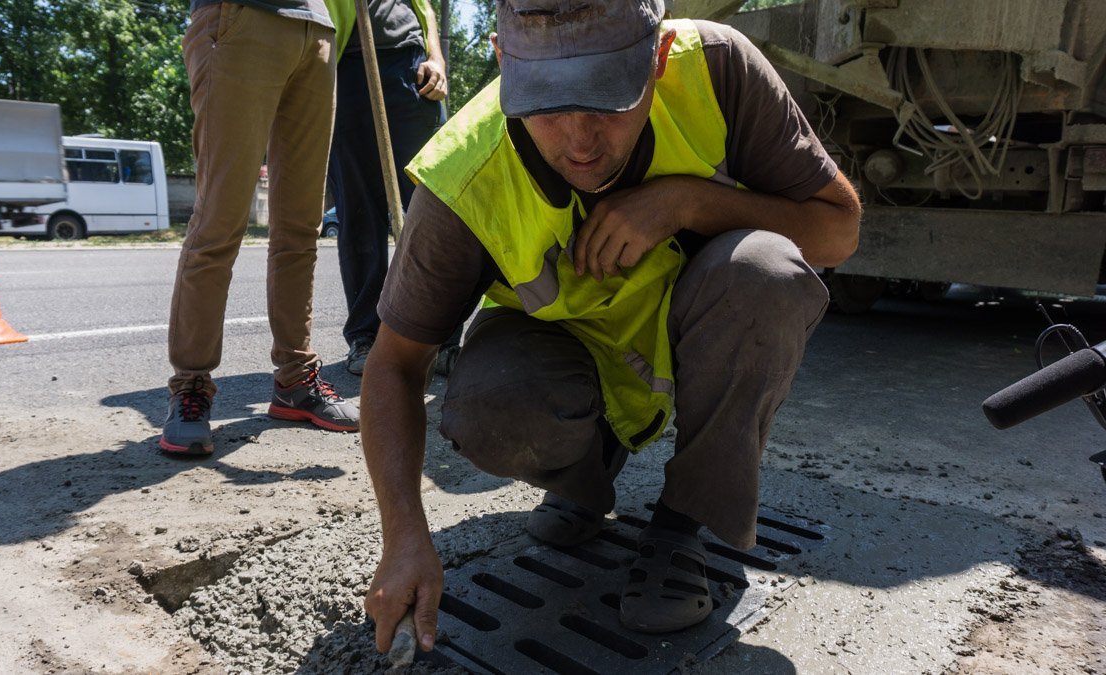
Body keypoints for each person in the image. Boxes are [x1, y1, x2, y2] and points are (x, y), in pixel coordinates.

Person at [359, 0, 863, 651]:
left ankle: (682, 523)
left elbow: (837, 231)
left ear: (658, 56)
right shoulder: (466, 174)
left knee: (767, 273)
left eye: (608, 102)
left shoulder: (716, 70)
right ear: (504, 61)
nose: (580, 142)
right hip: (564, 357)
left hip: (699, 328)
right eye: (547, 106)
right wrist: (403, 535)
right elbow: (394, 363)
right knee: (489, 405)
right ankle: (585, 475)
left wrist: (687, 202)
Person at [161, 0, 359, 456]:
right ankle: (190, 384)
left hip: (317, 28)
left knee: (301, 229)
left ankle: (296, 379)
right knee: (219, 222)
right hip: (242, 17)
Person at [327, 0, 462, 376]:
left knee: (435, 206)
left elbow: (426, 7)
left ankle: (442, 339)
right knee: (358, 212)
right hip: (343, 66)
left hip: (410, 66)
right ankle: (366, 337)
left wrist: (436, 59)